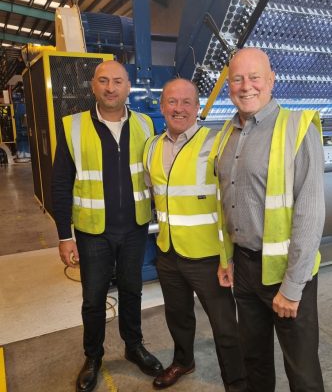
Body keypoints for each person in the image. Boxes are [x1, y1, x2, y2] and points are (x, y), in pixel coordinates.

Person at [217, 47, 325, 392]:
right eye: (237, 79)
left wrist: (292, 288)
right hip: (246, 270)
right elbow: (225, 204)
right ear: (228, 85)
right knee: (255, 361)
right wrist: (228, 257)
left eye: (254, 77)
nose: (246, 86)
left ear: (271, 80)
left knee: (302, 370)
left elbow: (310, 213)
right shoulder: (226, 134)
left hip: (288, 273)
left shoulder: (297, 127)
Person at [51, 60, 163, 392]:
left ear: (128, 87)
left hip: (134, 228)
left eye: (117, 81)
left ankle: (134, 346)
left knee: (132, 290)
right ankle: (94, 356)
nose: (110, 87)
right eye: (103, 81)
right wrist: (63, 235)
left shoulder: (145, 125)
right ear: (93, 85)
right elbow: (60, 184)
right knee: (93, 298)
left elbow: (154, 175)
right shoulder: (72, 126)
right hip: (92, 231)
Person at [143, 78, 247, 391]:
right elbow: (156, 194)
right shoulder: (151, 147)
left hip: (206, 256)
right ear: (162, 106)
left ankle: (237, 382)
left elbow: (231, 201)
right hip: (168, 251)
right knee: (178, 316)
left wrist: (227, 255)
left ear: (197, 107)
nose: (179, 108)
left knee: (225, 325)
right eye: (172, 102)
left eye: (187, 102)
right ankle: (184, 360)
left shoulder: (216, 143)